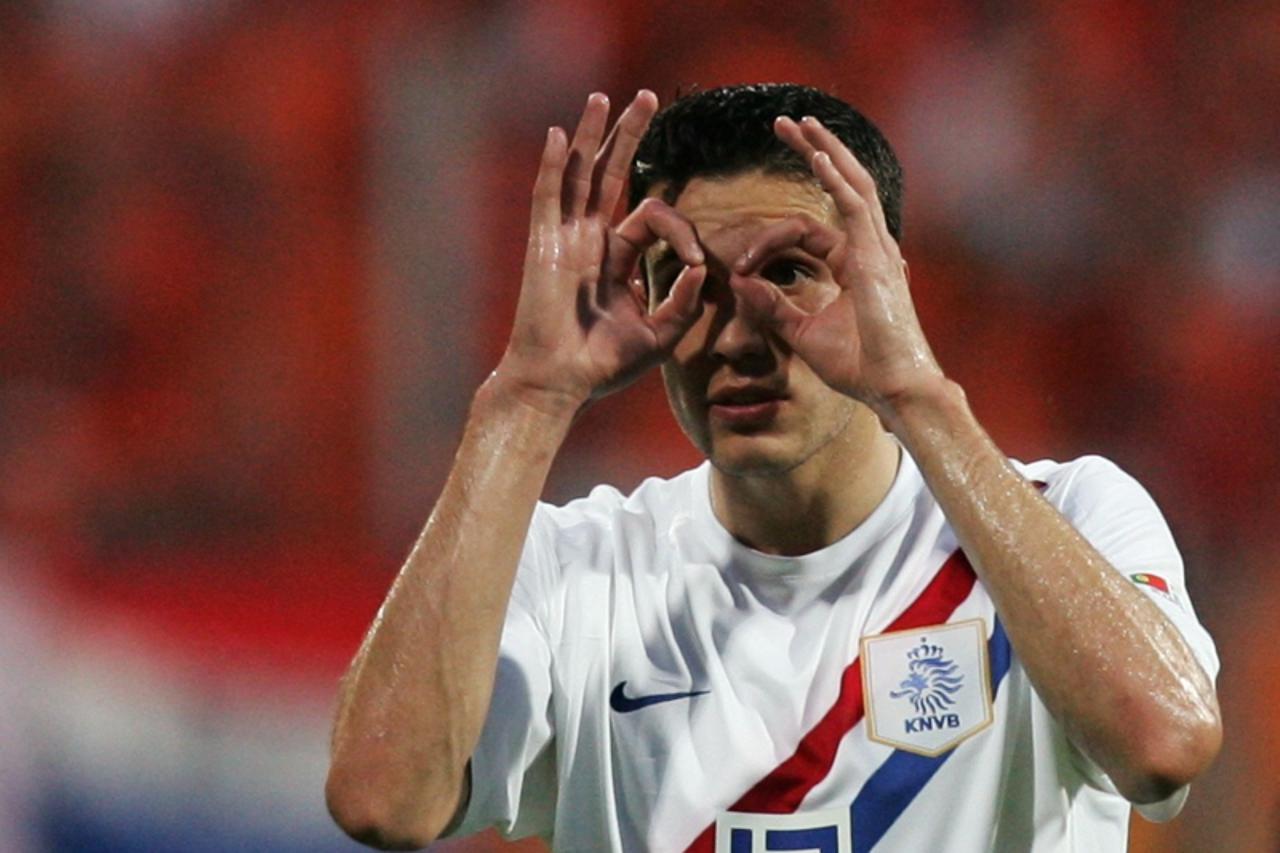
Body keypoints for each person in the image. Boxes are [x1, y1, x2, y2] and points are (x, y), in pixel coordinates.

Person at [325, 83, 1222, 852]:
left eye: (789, 273)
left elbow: (1164, 743)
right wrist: (524, 400)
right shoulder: (576, 569)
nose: (734, 337)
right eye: (687, 283)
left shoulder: (1064, 515)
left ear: (888, 284)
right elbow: (380, 800)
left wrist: (916, 393)